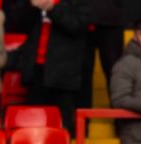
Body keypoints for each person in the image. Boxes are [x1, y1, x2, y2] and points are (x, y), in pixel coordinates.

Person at [6, 0, 87, 134]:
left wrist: (51, 8)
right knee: (32, 125)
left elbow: (77, 25)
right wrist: (31, 6)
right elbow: (18, 23)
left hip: (63, 74)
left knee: (62, 128)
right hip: (35, 71)